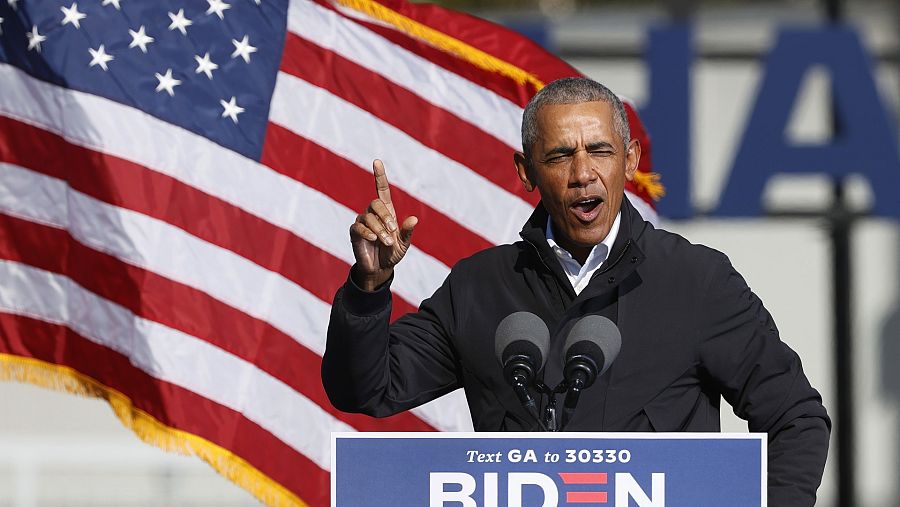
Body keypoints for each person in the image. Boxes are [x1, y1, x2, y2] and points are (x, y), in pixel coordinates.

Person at [322, 77, 830, 505]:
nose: (583, 173)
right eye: (561, 155)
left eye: (600, 151)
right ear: (526, 172)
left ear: (629, 161)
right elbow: (365, 389)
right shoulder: (479, 285)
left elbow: (797, 418)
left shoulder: (697, 280)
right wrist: (369, 289)